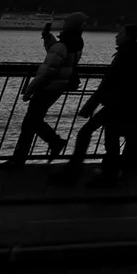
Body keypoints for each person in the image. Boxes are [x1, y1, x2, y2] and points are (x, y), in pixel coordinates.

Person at [67, 21, 137, 183]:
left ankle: (81, 170)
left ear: (127, 36)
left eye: (120, 33)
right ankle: (110, 170)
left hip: (117, 103)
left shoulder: (125, 54)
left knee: (93, 133)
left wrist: (91, 105)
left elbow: (110, 81)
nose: (116, 36)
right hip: (127, 103)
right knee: (112, 136)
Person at [6, 14, 85, 165]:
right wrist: (49, 39)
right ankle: (24, 156)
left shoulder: (62, 45)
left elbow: (48, 70)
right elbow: (58, 53)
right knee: (32, 120)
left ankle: (25, 156)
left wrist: (30, 89)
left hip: (47, 87)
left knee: (31, 121)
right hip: (59, 87)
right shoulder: (76, 44)